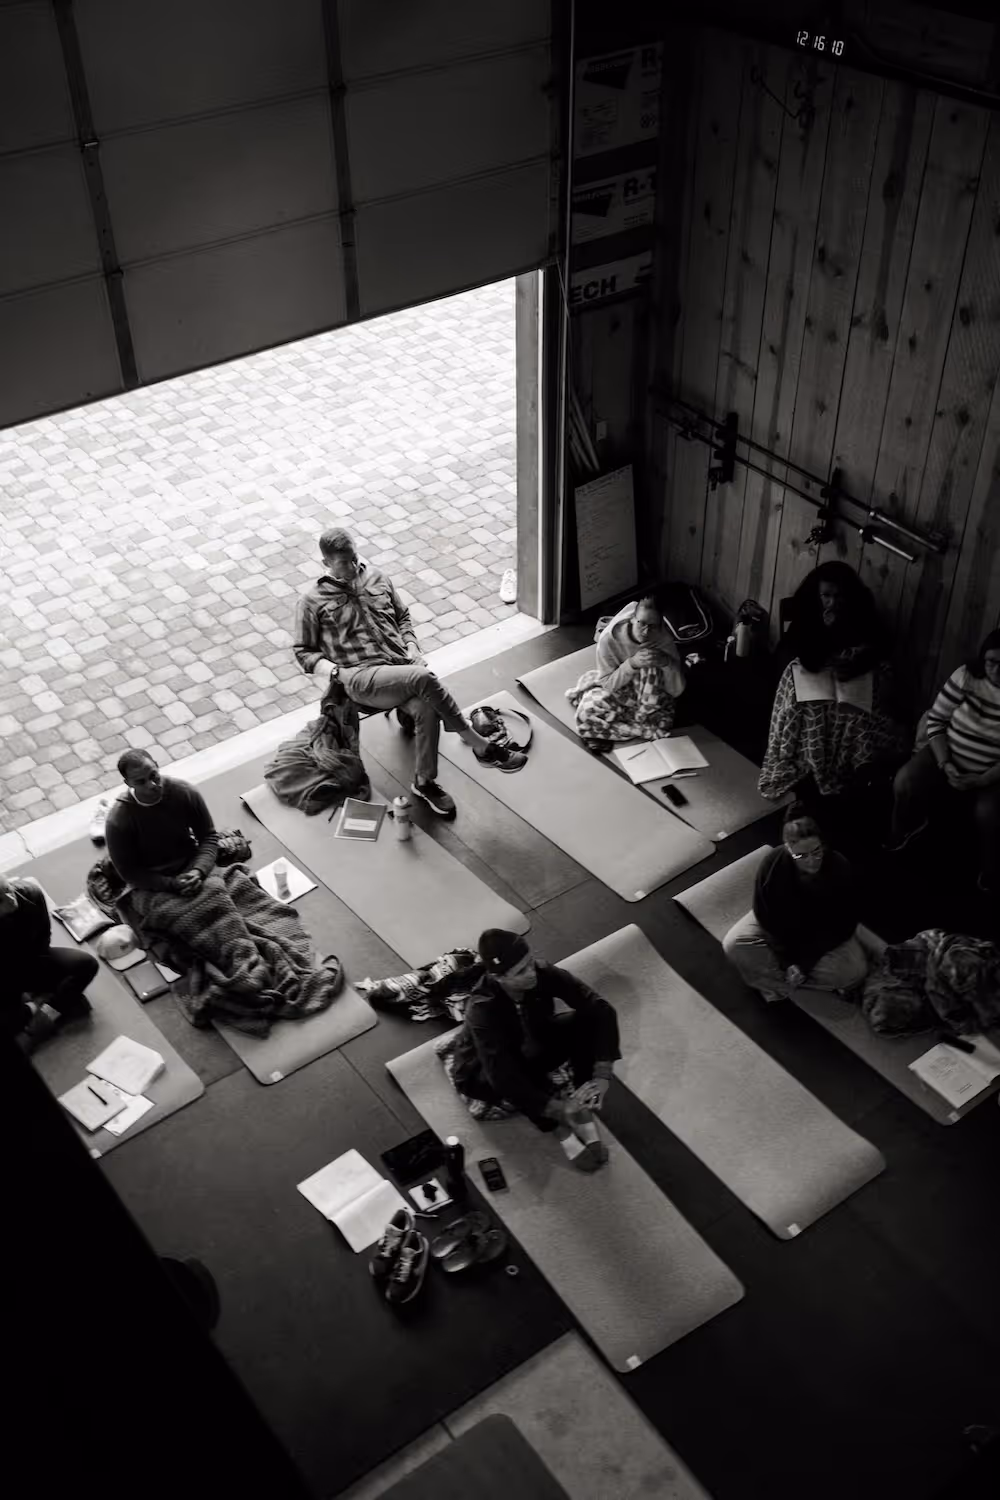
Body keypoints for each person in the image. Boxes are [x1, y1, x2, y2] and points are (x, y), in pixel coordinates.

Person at [293, 528, 524, 818]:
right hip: (359, 678)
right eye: (343, 563)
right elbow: (303, 652)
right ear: (326, 563)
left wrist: (412, 647)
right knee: (423, 678)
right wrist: (336, 672)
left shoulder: (377, 577)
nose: (352, 567)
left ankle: (424, 782)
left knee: (427, 707)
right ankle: (477, 743)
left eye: (354, 558)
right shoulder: (311, 602)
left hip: (398, 667)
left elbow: (402, 616)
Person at [449, 929, 621, 1171]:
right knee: (512, 1076)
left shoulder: (542, 972)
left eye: (530, 962)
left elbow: (600, 1008)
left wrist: (602, 1073)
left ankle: (582, 1096)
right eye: (520, 971)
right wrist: (556, 1110)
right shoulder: (481, 1010)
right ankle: (558, 1127)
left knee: (587, 1020)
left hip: (536, 1039)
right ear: (499, 978)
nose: (532, 973)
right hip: (485, 1067)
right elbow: (503, 1076)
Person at [758, 561, 905, 800]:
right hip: (815, 674)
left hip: (852, 678)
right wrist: (826, 633)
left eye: (839, 596)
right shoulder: (809, 610)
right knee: (810, 709)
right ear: (818, 595)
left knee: (856, 713)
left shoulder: (861, 609)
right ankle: (810, 766)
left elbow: (877, 647)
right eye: (826, 596)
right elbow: (804, 656)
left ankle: (850, 770)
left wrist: (855, 661)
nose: (833, 602)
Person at [887, 630, 1000, 892]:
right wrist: (944, 763)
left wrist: (981, 779)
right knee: (905, 781)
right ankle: (899, 835)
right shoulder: (967, 676)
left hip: (991, 772)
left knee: (989, 814)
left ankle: (991, 872)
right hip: (946, 753)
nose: (995, 670)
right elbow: (936, 721)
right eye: (991, 661)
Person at [722, 803, 869, 1002]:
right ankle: (795, 981)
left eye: (817, 852)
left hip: (822, 932)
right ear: (788, 848)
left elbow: (843, 926)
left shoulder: (839, 866)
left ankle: (777, 983)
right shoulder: (772, 863)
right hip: (782, 929)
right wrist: (787, 960)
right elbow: (766, 917)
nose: (811, 861)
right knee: (734, 944)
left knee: (855, 971)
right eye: (800, 855)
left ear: (823, 844)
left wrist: (803, 963)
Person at [566, 591, 686, 754]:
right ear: (631, 619)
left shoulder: (663, 639)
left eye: (652, 626)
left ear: (660, 625)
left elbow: (676, 690)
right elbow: (607, 684)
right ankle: (637, 727)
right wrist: (632, 664)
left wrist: (666, 664)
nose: (645, 631)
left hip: (651, 698)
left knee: (651, 669)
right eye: (641, 623)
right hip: (620, 690)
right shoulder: (609, 638)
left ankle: (624, 726)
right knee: (586, 712)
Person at [0, 873, 97, 1051]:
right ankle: (32, 1010)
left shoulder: (30, 894)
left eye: (8, 889)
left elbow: (43, 941)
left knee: (87, 964)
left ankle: (46, 1014)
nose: (10, 899)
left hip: (30, 960)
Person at [106, 750, 219, 895]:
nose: (152, 785)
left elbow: (208, 837)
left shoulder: (185, 792)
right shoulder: (118, 821)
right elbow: (129, 872)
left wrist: (198, 871)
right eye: (140, 782)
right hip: (152, 879)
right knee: (170, 915)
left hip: (192, 862)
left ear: (157, 766)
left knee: (231, 890)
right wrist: (172, 884)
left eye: (153, 776)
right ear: (128, 783)